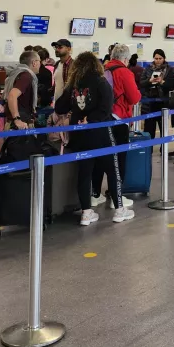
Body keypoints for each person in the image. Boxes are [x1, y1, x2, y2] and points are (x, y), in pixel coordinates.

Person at [55, 52, 134, 224]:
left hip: (79, 134)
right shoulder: (100, 81)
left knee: (85, 173)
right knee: (113, 170)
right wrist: (90, 119)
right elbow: (106, 108)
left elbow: (60, 106)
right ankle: (119, 209)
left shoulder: (73, 84)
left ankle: (86, 212)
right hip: (100, 132)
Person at [99, 44, 141, 208]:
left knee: (102, 157)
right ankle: (116, 196)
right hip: (119, 118)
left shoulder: (103, 69)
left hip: (102, 119)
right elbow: (134, 97)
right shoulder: (125, 72)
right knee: (119, 158)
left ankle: (96, 193)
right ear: (125, 58)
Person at [139, 49, 174, 139]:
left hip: (163, 103)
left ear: (164, 58)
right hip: (149, 103)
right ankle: (148, 150)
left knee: (163, 130)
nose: (158, 60)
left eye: (160, 58)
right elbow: (141, 83)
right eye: (156, 58)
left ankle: (163, 150)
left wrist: (162, 82)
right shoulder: (148, 68)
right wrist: (149, 81)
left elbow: (171, 85)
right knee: (149, 129)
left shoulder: (169, 70)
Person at [4, 50, 40, 129]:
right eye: (39, 61)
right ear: (34, 63)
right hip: (20, 124)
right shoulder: (26, 76)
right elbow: (12, 96)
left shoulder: (16, 74)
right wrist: (17, 119)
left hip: (14, 121)